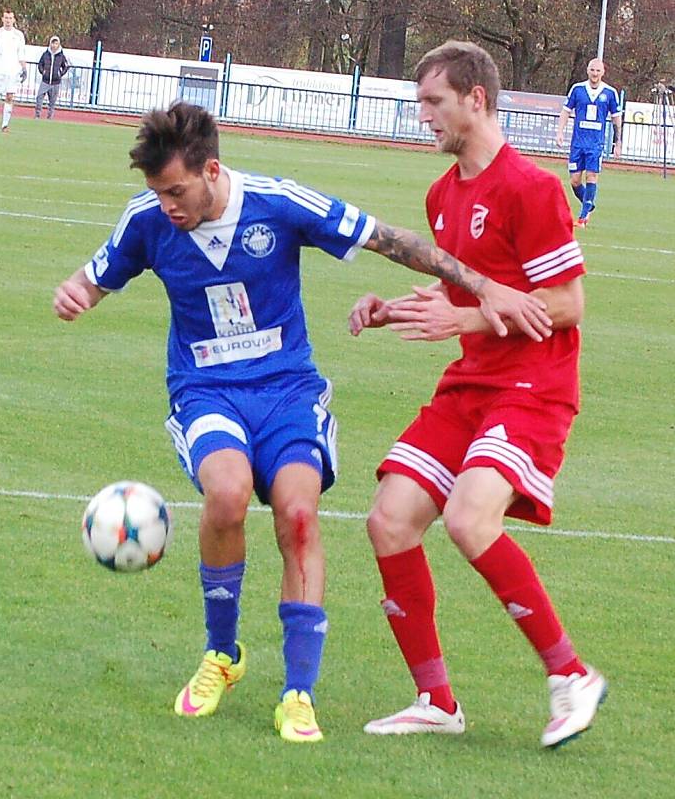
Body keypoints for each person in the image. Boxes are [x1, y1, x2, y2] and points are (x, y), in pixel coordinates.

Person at [53, 101, 551, 744]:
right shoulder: (148, 220)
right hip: (206, 391)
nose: (169, 205)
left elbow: (387, 239)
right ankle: (222, 655)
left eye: (177, 190)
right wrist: (75, 294)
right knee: (227, 494)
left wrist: (481, 287)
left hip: (288, 392)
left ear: (211, 169)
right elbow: (94, 278)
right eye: (158, 193)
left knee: (298, 513)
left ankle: (298, 692)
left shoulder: (277, 203)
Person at [349, 41, 606, 749]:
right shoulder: (441, 195)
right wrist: (393, 309)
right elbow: (461, 289)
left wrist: (462, 318)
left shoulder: (530, 187)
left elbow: (567, 303)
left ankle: (572, 676)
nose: (422, 116)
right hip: (472, 385)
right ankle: (435, 700)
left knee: (468, 518)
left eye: (433, 102)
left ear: (476, 99)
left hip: (533, 387)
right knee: (389, 520)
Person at [556, 58, 622, 228]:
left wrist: (617, 141)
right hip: (577, 143)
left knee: (592, 176)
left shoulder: (610, 92)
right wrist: (560, 132)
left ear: (603, 72)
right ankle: (589, 203)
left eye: (598, 71)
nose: (595, 74)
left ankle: (583, 217)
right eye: (592, 70)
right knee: (575, 181)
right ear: (587, 70)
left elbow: (616, 119)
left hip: (596, 144)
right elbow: (565, 111)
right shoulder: (577, 89)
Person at [0, 9, 27, 133]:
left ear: (14, 20)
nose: (8, 20)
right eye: (6, 18)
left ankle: (5, 125)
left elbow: (21, 53)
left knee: (10, 96)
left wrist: (24, 69)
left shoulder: (19, 35)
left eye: (10, 18)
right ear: (2, 19)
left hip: (13, 71)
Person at [35, 35, 69, 119]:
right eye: (53, 43)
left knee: (52, 102)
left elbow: (66, 66)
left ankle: (50, 117)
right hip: (45, 81)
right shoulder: (45, 54)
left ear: (59, 45)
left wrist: (60, 74)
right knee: (39, 98)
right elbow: (40, 64)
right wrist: (43, 72)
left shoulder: (61, 56)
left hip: (55, 82)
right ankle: (37, 115)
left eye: (56, 43)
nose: (54, 45)